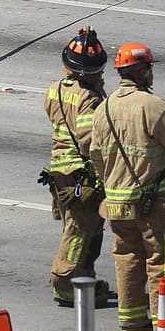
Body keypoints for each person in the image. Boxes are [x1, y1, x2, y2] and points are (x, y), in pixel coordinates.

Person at [90, 43, 165, 331]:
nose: (151, 73)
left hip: (117, 204)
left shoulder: (104, 108)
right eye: (149, 68)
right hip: (155, 206)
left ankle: (132, 321)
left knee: (127, 259)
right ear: (141, 71)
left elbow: (96, 155)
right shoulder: (153, 106)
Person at [42, 27, 110, 308]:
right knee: (80, 231)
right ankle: (65, 283)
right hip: (80, 174)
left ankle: (83, 277)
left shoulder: (54, 90)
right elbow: (88, 141)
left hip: (59, 171)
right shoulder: (89, 99)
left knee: (80, 230)